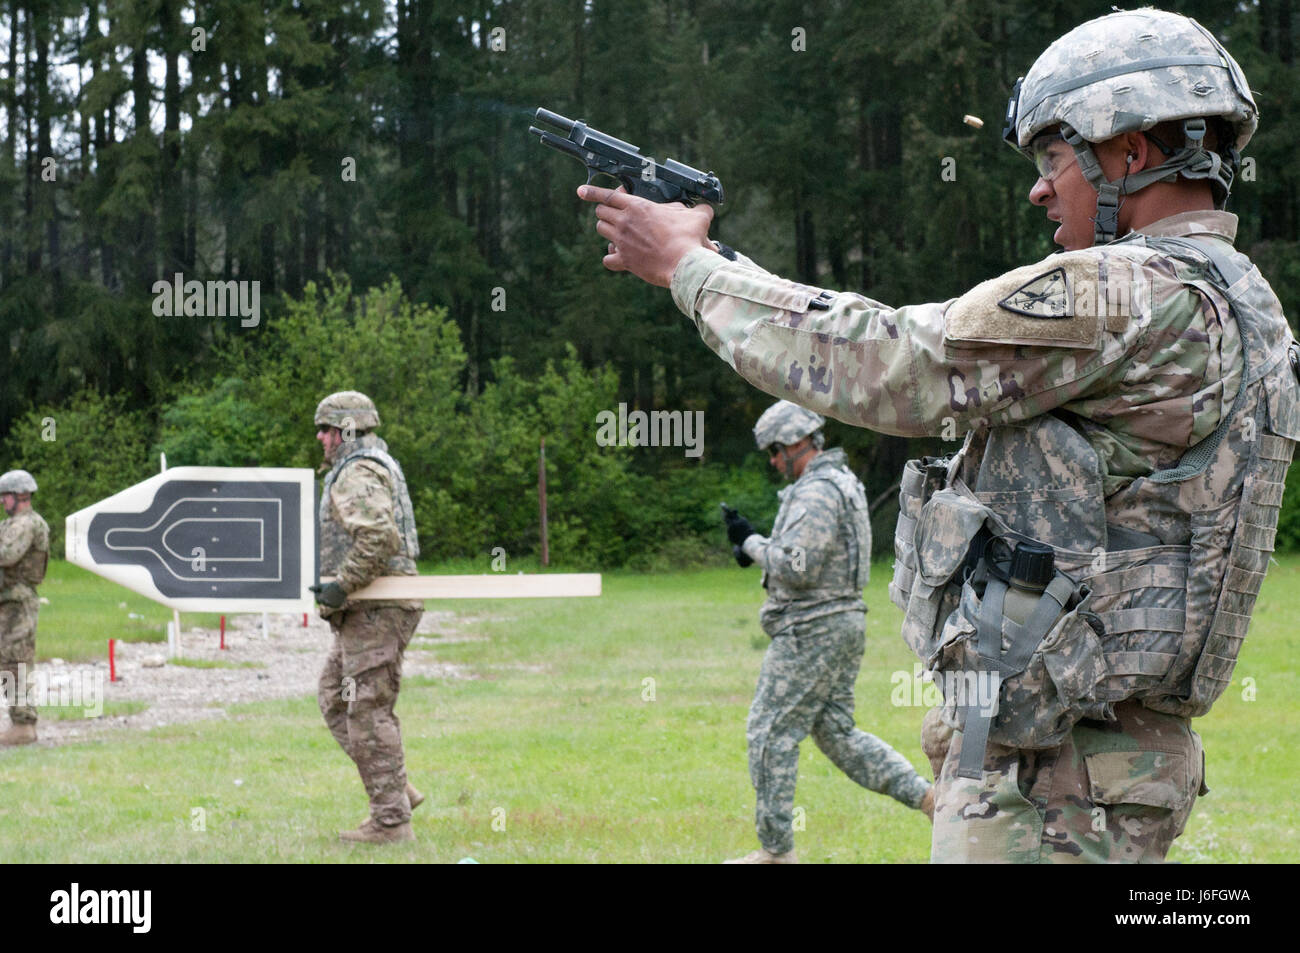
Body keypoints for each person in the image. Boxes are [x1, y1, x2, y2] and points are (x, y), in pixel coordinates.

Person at [578, 8, 1299, 863]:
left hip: (1047, 787)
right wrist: (726, 267)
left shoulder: (1128, 293)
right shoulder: (1247, 307)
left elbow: (895, 362)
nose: (1038, 188)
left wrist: (690, 270)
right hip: (1112, 768)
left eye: (1053, 157)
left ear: (1129, 152)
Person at [722, 400, 932, 864]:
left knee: (769, 732)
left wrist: (749, 541)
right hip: (839, 624)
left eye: (776, 452)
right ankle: (929, 800)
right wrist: (758, 544)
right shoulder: (842, 483)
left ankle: (776, 854)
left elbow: (796, 566)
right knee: (837, 734)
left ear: (798, 443)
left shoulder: (817, 491)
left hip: (811, 629)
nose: (774, 461)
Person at [310, 391, 425, 844]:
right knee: (336, 699)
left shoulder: (357, 471)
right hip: (370, 607)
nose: (320, 437)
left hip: (377, 608)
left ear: (345, 432)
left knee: (367, 710)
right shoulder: (365, 465)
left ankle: (391, 822)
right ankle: (394, 789)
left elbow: (379, 537)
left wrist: (343, 584)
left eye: (325, 429)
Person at [0, 469, 49, 746]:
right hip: (9, 601)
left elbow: (6, 555)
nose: (2, 502)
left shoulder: (26, 524)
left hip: (18, 602)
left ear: (20, 495)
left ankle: (23, 726)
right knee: (8, 660)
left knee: (15, 661)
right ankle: (19, 721)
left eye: (4, 496)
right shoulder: (14, 523)